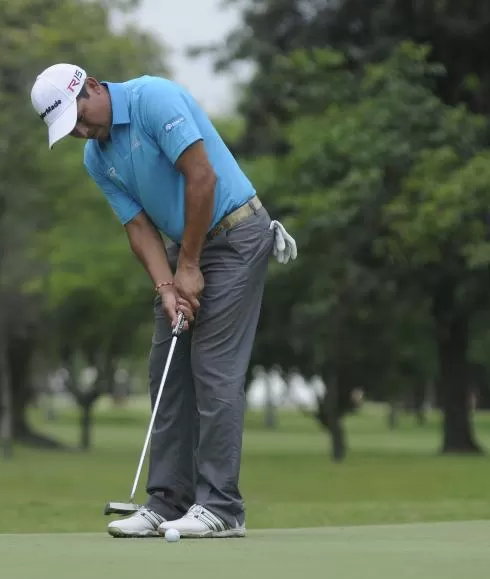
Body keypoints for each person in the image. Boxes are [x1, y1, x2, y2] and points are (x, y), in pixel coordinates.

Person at [29, 63, 297, 538]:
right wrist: (168, 287)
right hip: (185, 247)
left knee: (213, 369)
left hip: (235, 235)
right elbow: (138, 228)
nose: (82, 132)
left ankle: (221, 507)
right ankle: (168, 502)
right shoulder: (96, 158)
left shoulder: (154, 99)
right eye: (71, 129)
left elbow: (202, 178)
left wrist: (189, 266)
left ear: (91, 86)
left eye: (80, 117)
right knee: (167, 370)